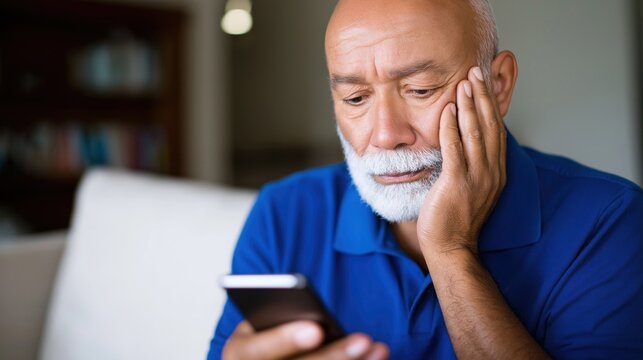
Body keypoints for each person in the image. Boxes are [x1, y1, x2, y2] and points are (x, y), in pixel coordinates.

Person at [208, 0, 643, 358]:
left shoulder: (611, 222)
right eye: (355, 98)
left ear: (499, 84)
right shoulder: (282, 214)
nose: (385, 136)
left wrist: (450, 251)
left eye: (420, 90)